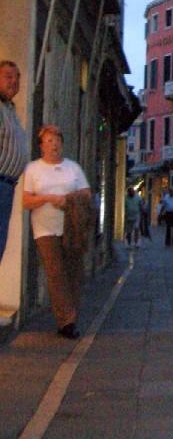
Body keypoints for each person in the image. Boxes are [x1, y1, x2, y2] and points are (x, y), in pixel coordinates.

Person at [23, 125, 92, 339]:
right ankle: (67, 321)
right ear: (41, 146)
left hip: (72, 228)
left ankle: (69, 318)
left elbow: (86, 194)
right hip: (45, 229)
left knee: (73, 272)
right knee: (55, 274)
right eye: (49, 141)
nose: (54, 145)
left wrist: (67, 200)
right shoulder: (33, 169)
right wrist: (47, 198)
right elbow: (26, 201)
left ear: (62, 143)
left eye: (57, 140)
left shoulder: (73, 168)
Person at [0, 60, 29, 265]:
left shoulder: (9, 109)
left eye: (17, 77)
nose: (14, 81)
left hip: (7, 186)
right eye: (8, 77)